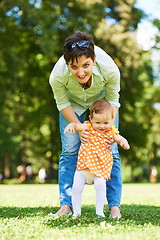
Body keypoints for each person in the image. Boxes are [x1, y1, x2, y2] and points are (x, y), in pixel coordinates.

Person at [49, 31, 122, 218]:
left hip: (103, 104)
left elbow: (113, 100)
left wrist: (106, 131)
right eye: (74, 67)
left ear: (94, 59)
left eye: (86, 65)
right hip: (72, 106)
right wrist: (79, 126)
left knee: (111, 151)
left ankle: (114, 207)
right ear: (67, 65)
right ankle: (66, 205)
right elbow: (62, 104)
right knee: (69, 151)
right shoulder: (57, 75)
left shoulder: (110, 70)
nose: (80, 72)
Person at [64, 100, 130, 218]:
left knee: (100, 187)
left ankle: (99, 211)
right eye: (98, 122)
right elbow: (77, 125)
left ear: (112, 119)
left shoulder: (111, 131)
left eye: (106, 122)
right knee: (76, 188)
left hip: (100, 169)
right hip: (83, 167)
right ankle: (76, 212)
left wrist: (123, 142)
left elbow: (119, 138)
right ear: (91, 118)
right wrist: (72, 125)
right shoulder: (88, 126)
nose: (102, 126)